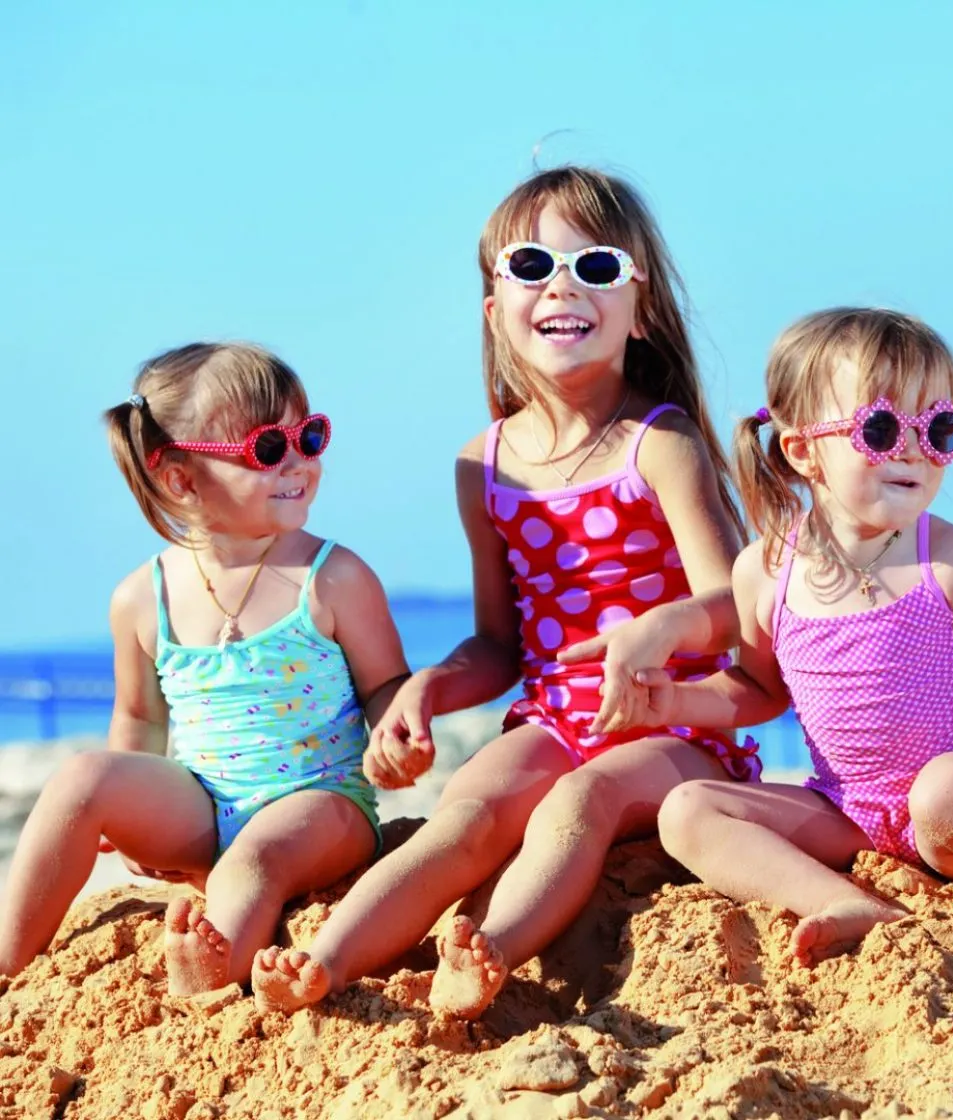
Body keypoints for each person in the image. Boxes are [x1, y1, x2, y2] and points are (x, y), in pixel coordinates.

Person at [253, 166, 758, 1019]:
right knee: (468, 813)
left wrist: (660, 631)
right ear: (496, 311)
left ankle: (492, 949)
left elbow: (735, 608)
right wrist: (429, 689)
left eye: (596, 266)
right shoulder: (482, 466)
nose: (562, 285)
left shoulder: (659, 443)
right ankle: (323, 962)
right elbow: (501, 644)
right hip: (555, 717)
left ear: (640, 309)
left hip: (673, 724)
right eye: (531, 266)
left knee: (583, 799)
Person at [618, 308, 953, 966]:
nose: (912, 450)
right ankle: (848, 903)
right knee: (686, 811)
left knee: (952, 787)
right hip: (847, 814)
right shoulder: (765, 572)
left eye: (939, 429)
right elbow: (759, 688)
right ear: (802, 451)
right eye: (879, 429)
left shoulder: (950, 560)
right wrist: (676, 703)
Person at [0, 343, 410, 995]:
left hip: (321, 805)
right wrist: (130, 813)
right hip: (201, 805)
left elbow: (386, 685)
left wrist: (397, 732)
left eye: (309, 437)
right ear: (181, 481)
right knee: (81, 779)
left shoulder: (332, 576)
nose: (298, 463)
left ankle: (213, 977)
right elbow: (139, 717)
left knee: (255, 858)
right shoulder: (143, 598)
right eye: (268, 449)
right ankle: (10, 960)